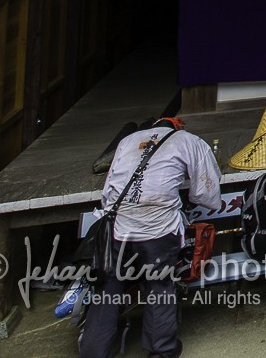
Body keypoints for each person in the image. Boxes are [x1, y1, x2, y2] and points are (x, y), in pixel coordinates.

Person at [78, 116, 221, 358]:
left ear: (152, 127)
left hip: (118, 228)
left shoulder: (127, 141)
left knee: (107, 289)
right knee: (159, 286)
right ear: (176, 127)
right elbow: (205, 193)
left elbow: (107, 194)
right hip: (158, 229)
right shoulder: (189, 141)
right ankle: (160, 350)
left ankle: (93, 353)